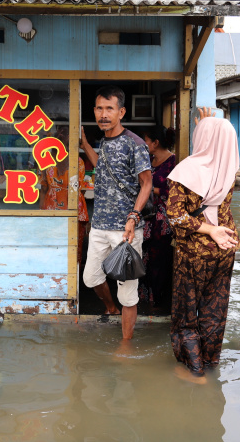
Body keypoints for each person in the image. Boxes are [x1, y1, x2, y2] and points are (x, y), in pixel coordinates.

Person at [166, 107, 240, 379]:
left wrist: (207, 230)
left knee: (186, 312)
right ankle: (209, 363)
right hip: (225, 246)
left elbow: (174, 217)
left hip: (195, 251)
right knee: (215, 310)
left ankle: (194, 371)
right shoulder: (229, 166)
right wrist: (210, 122)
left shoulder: (187, 169)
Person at [80, 86, 153, 340]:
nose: (103, 114)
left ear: (121, 112)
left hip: (126, 230)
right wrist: (86, 144)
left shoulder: (135, 144)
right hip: (99, 227)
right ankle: (110, 308)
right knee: (90, 277)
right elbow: (103, 167)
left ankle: (126, 344)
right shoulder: (104, 141)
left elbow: (147, 183)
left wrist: (133, 216)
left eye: (109, 108)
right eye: (99, 108)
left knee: (128, 292)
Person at [39, 126, 90, 266]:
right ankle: (74, 284)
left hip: (51, 208)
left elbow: (43, 189)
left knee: (53, 249)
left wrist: (40, 214)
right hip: (74, 208)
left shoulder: (46, 159)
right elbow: (80, 187)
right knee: (74, 250)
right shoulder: (77, 161)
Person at [141, 125, 177, 310]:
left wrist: (149, 189)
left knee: (159, 260)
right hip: (145, 218)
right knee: (143, 258)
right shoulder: (148, 159)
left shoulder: (174, 162)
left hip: (163, 222)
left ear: (155, 142)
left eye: (146, 140)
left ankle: (158, 302)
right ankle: (145, 299)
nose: (143, 143)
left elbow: (175, 192)